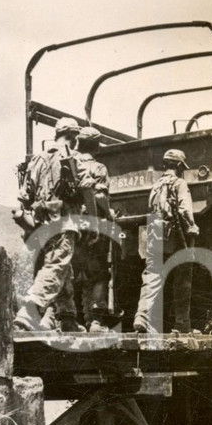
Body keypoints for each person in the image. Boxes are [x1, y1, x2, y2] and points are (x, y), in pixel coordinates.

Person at [13, 117, 82, 332]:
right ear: (73, 136)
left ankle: (67, 317)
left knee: (62, 268)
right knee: (56, 266)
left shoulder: (37, 159)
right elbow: (85, 189)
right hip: (63, 221)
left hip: (40, 223)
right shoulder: (72, 157)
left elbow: (24, 196)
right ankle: (29, 312)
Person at [133, 149, 199, 334]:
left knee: (151, 275)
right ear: (179, 166)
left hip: (154, 233)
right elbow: (185, 209)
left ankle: (141, 316)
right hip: (176, 236)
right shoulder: (180, 183)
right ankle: (182, 323)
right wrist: (192, 226)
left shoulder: (155, 186)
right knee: (183, 278)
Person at [71, 127, 116, 333]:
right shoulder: (98, 168)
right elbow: (98, 196)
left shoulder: (70, 163)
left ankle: (68, 319)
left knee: (72, 271)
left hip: (70, 225)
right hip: (92, 224)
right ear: (96, 146)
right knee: (97, 274)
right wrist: (109, 213)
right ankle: (95, 321)